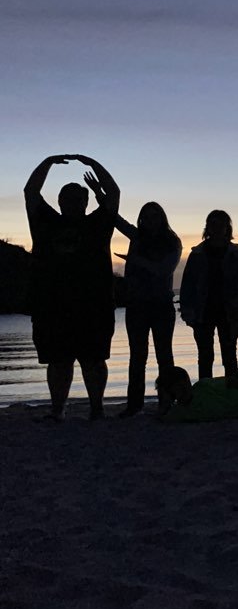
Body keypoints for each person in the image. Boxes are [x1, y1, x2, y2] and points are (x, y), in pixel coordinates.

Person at [24, 154, 120, 420]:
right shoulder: (45, 222)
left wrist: (92, 163)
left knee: (94, 360)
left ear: (86, 202)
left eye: (78, 199)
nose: (73, 203)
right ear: (60, 201)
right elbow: (31, 191)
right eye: (67, 199)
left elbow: (113, 193)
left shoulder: (98, 224)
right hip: (52, 305)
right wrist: (47, 162)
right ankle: (58, 409)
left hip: (94, 305)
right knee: (58, 361)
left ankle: (97, 408)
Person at [107, 199, 183, 417]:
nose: (149, 221)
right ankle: (134, 405)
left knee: (164, 355)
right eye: (145, 217)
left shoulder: (172, 241)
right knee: (137, 356)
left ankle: (166, 402)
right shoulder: (137, 236)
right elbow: (117, 221)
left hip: (161, 305)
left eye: (154, 217)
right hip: (137, 305)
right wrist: (103, 197)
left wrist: (135, 260)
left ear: (162, 219)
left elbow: (163, 270)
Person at [179, 210, 238, 380]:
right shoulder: (197, 254)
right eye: (212, 224)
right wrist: (187, 311)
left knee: (230, 356)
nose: (216, 228)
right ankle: (205, 392)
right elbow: (187, 285)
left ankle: (231, 392)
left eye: (220, 224)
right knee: (205, 357)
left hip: (229, 312)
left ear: (227, 228)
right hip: (202, 312)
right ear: (207, 228)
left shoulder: (235, 254)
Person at [157, 365, 238, 422]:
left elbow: (232, 382)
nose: (185, 387)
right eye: (179, 386)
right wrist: (166, 399)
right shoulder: (180, 411)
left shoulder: (202, 386)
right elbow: (163, 417)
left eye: (185, 383)